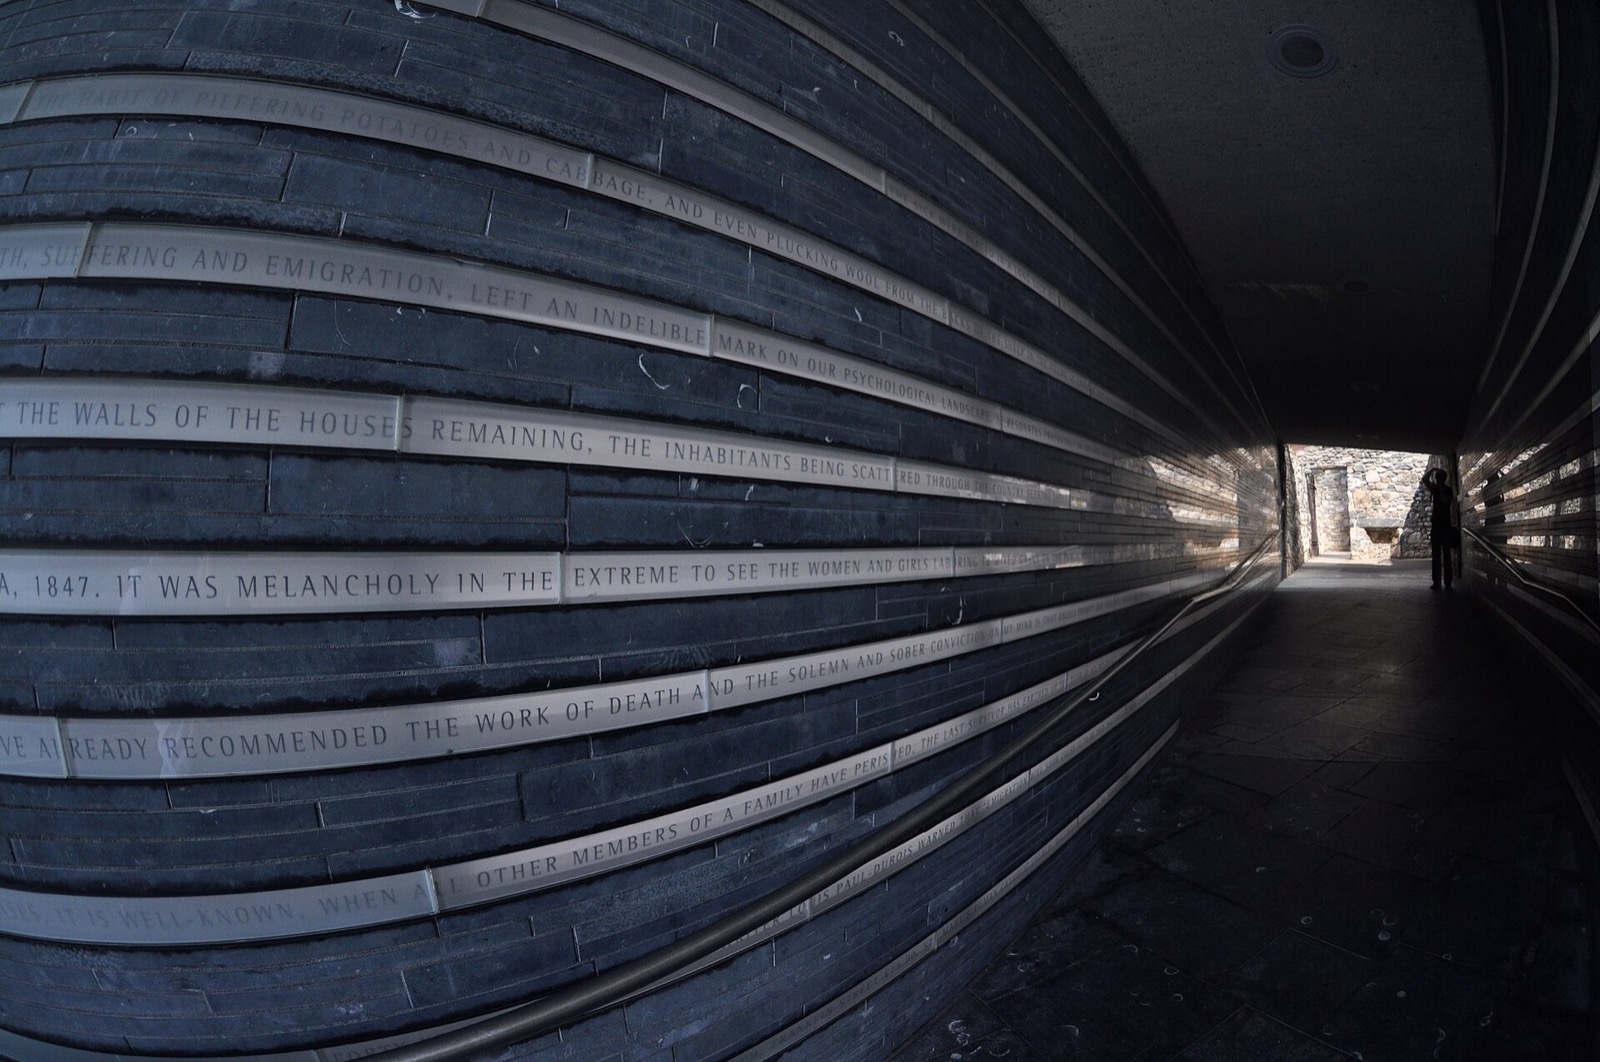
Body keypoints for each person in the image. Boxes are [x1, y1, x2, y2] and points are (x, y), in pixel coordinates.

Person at [1423, 467, 1456, 589]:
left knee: (1446, 555)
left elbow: (1445, 501)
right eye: (1437, 478)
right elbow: (1425, 480)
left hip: (1445, 527)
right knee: (1436, 555)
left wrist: (1440, 488)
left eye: (1439, 478)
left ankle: (1447, 582)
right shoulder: (1435, 489)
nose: (1437, 480)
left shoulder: (1447, 490)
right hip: (1436, 526)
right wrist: (1432, 470)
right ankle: (1436, 582)